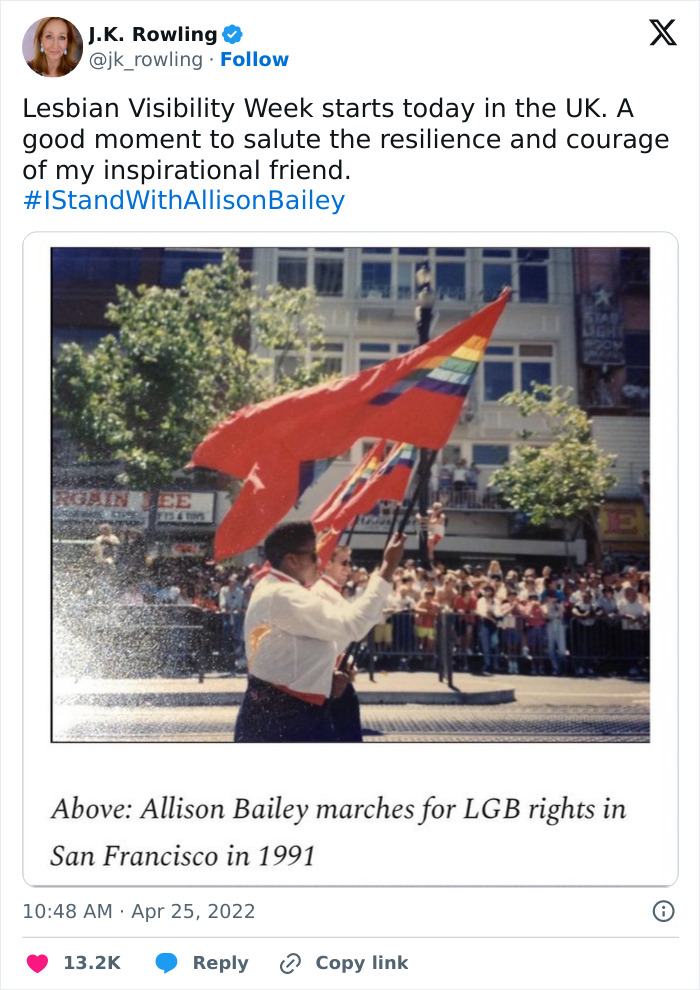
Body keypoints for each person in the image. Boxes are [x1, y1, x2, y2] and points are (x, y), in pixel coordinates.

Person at [234, 521, 404, 742]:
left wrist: (324, 677)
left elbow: (292, 654)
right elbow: (353, 625)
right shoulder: (284, 594)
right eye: (313, 555)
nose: (319, 562)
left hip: (289, 713)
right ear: (291, 560)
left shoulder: (278, 588)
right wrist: (387, 569)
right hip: (284, 720)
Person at [311, 545, 363, 742]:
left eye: (350, 563)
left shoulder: (333, 592)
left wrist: (347, 659)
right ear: (327, 563)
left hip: (336, 680)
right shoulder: (321, 593)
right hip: (327, 683)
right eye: (344, 562)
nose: (348, 568)